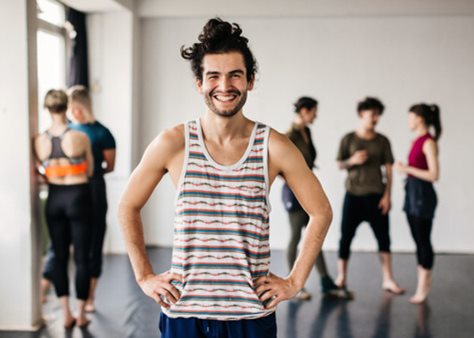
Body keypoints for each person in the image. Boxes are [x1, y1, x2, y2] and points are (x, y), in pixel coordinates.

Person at [119, 18, 333, 338]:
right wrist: (144, 276)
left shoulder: (274, 146)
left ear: (250, 80)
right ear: (199, 83)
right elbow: (127, 206)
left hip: (250, 315)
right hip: (185, 313)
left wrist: (295, 281)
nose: (224, 86)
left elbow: (321, 212)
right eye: (213, 76)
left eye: (235, 75)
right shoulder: (173, 143)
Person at [33, 89, 93, 328]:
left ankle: (65, 313)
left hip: (55, 198)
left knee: (58, 256)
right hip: (78, 196)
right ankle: (81, 314)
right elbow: (89, 171)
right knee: (81, 257)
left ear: (47, 109)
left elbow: (40, 170)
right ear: (67, 106)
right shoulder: (79, 137)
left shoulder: (39, 140)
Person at [282, 96, 350, 300]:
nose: (316, 115)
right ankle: (292, 284)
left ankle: (325, 282)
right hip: (294, 193)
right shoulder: (288, 136)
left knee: (314, 235)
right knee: (296, 236)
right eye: (313, 112)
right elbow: (280, 167)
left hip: (308, 189)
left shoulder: (306, 132)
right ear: (304, 111)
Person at [335, 97, 404, 295]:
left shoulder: (383, 141)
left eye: (377, 114)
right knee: (345, 238)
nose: (375, 118)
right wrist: (352, 160)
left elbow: (389, 170)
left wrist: (387, 196)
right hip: (353, 196)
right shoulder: (348, 139)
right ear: (361, 114)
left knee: (384, 239)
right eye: (371, 114)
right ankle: (341, 277)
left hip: (376, 197)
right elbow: (340, 164)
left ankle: (388, 279)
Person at [67, 85, 116, 312]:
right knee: (77, 247)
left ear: (85, 107)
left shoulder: (102, 133)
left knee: (94, 245)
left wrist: (90, 172)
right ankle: (72, 294)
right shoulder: (67, 131)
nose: (75, 113)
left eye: (78, 108)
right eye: (71, 108)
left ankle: (90, 296)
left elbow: (110, 166)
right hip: (72, 192)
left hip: (95, 190)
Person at [394, 103, 441, 304]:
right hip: (413, 194)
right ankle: (423, 281)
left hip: (423, 196)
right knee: (418, 240)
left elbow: (434, 174)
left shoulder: (428, 142)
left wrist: (407, 169)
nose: (409, 121)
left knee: (423, 240)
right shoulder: (417, 140)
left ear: (420, 118)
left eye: (410, 117)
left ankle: (424, 285)